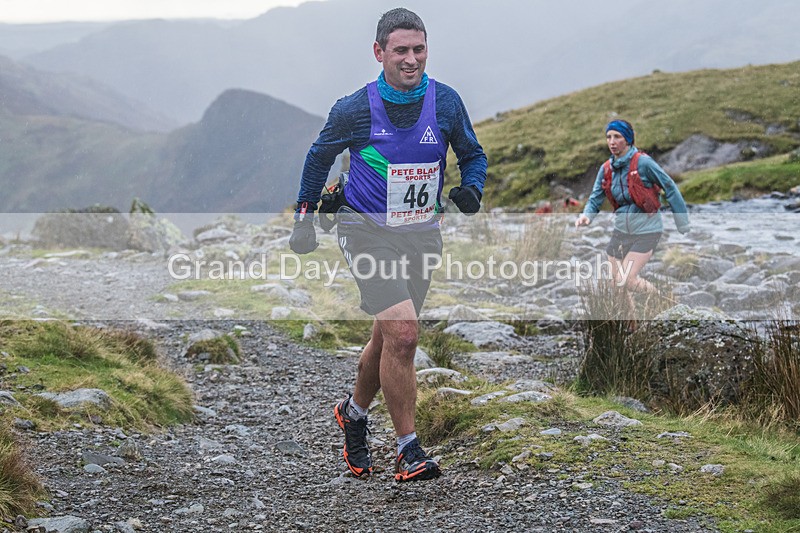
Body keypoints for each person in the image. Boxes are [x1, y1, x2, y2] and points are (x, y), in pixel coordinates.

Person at [289, 8, 487, 482]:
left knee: (387, 336)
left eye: (419, 49)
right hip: (365, 230)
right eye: (401, 50)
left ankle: (353, 413)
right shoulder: (353, 109)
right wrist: (304, 219)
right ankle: (408, 450)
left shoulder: (446, 103)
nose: (411, 59)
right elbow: (318, 158)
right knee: (404, 334)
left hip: (421, 234)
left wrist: (472, 189)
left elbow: (473, 154)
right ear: (379, 52)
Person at [575, 119, 689, 315]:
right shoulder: (606, 169)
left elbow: (669, 186)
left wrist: (682, 222)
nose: (612, 142)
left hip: (647, 231)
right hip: (621, 231)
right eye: (608, 137)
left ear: (627, 139)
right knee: (615, 283)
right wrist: (587, 216)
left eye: (617, 137)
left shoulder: (643, 163)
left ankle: (666, 304)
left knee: (626, 279)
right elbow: (595, 197)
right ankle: (631, 326)